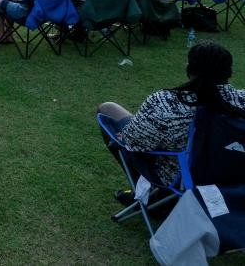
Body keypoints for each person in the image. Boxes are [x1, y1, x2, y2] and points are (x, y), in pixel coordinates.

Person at [97, 41, 245, 188]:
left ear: (189, 68)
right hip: (235, 181)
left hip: (182, 183)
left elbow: (132, 143)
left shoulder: (165, 102)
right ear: (228, 72)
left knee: (107, 109)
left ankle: (150, 197)